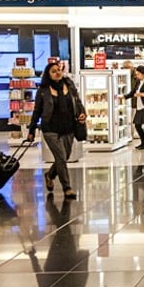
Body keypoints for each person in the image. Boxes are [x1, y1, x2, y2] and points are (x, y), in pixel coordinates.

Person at [27, 62, 86, 200]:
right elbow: (37, 111)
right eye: (53, 71)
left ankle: (50, 175)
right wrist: (31, 129)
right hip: (50, 129)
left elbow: (77, 102)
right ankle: (67, 187)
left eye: (59, 70)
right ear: (48, 74)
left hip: (69, 128)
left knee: (64, 157)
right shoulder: (43, 90)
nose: (58, 73)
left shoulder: (69, 85)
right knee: (60, 157)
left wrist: (82, 113)